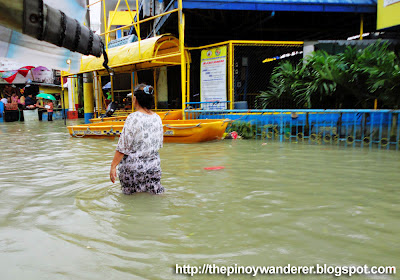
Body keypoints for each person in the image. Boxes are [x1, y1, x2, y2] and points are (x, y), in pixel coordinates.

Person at [110, 84, 164, 195]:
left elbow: (123, 147)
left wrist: (113, 166)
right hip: (153, 168)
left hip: (133, 171)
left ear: (135, 99)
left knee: (130, 203)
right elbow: (159, 144)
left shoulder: (133, 118)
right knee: (154, 199)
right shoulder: (157, 118)